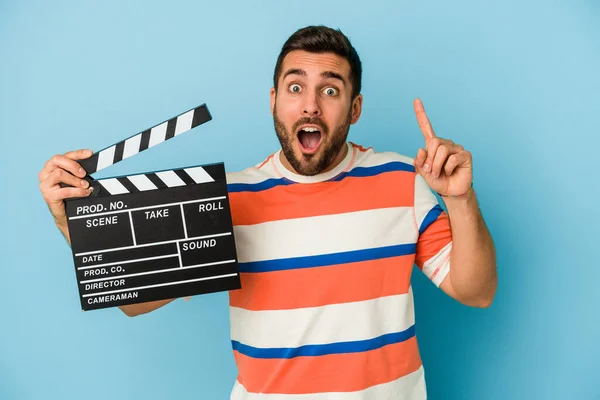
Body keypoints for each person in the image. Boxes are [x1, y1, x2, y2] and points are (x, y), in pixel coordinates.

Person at [39, 25, 497, 400]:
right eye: (295, 87)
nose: (310, 104)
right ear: (274, 99)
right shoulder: (231, 198)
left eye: (330, 90)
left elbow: (476, 291)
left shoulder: (401, 179)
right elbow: (136, 303)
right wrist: (71, 223)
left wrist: (460, 198)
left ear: (354, 109)